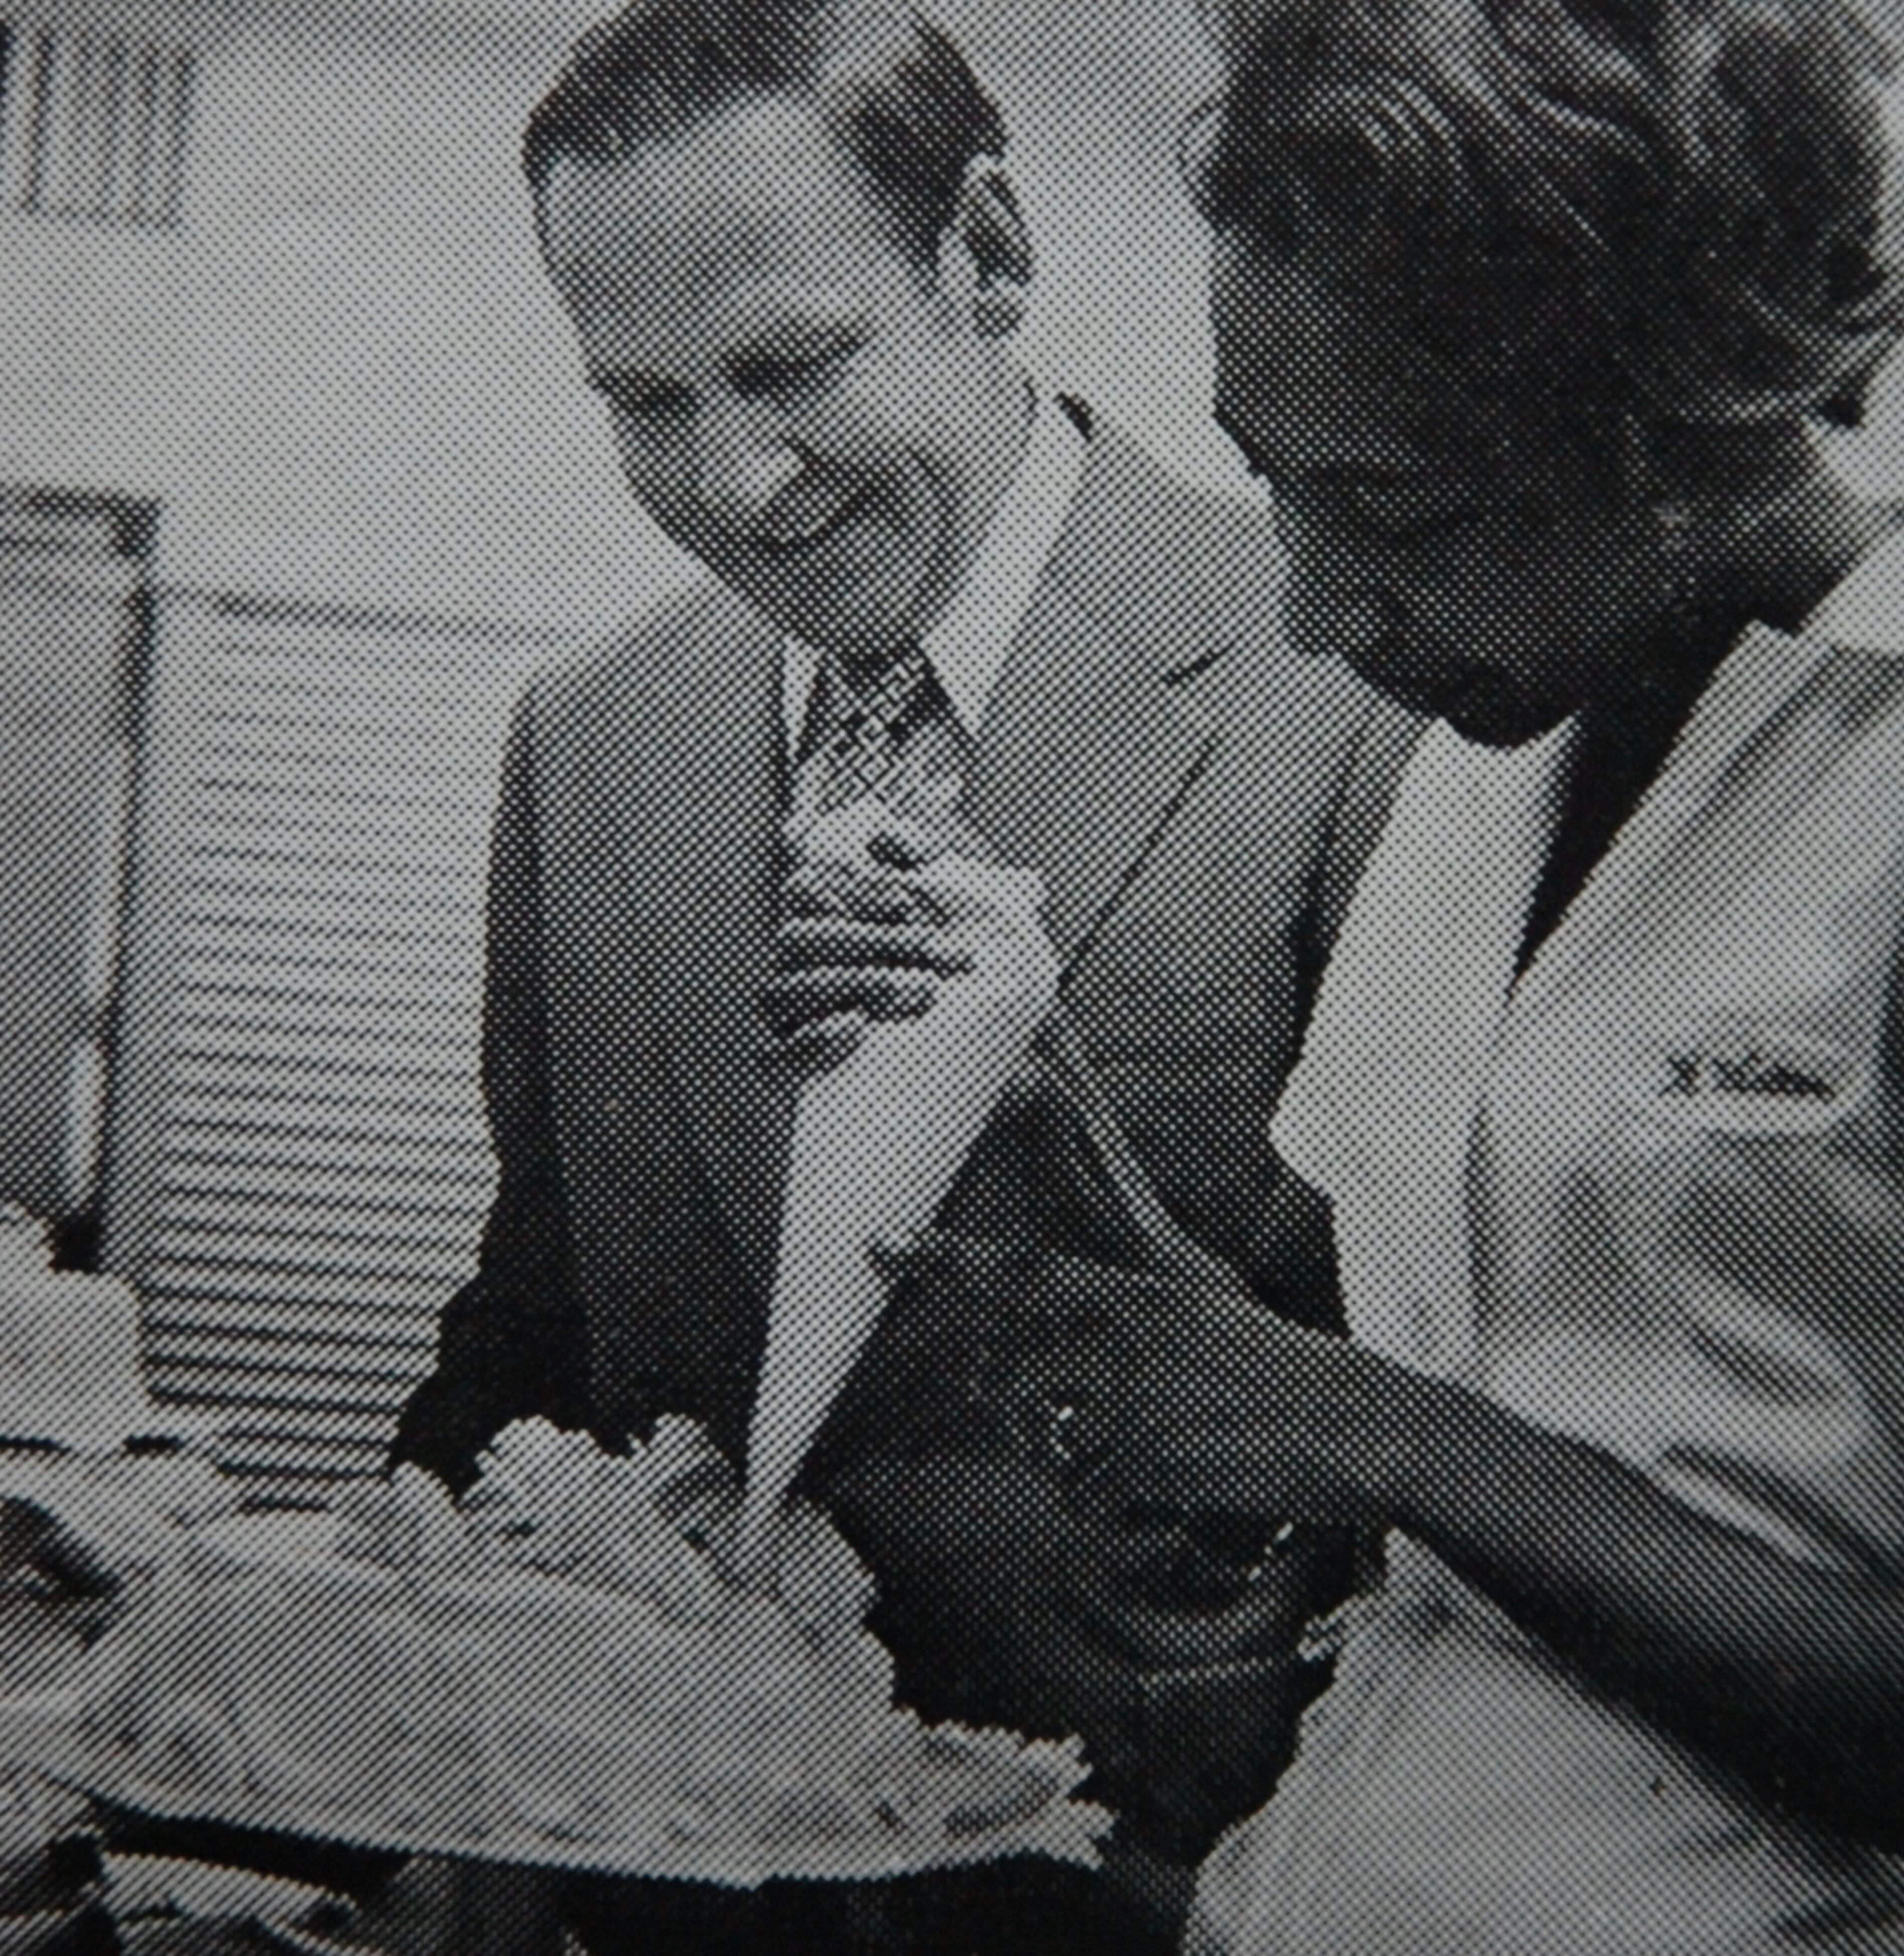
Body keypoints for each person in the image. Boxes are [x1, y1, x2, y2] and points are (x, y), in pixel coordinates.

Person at [877, 0, 1904, 1946]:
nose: (1313, 607)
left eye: (1401, 511)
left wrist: (1390, 1436)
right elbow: (1326, 1385)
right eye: (1276, 482)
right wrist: (1014, 1110)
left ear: (1676, 408)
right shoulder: (1482, 767)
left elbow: (1386, 1426)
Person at [391, 3, 1401, 1947]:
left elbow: (1425, 1415)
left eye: (792, 365)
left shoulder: (1353, 681)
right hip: (652, 1891)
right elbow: (542, 1302)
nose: (739, 483)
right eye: (646, 402)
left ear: (990, 254)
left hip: (1159, 1885)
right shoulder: (587, 735)